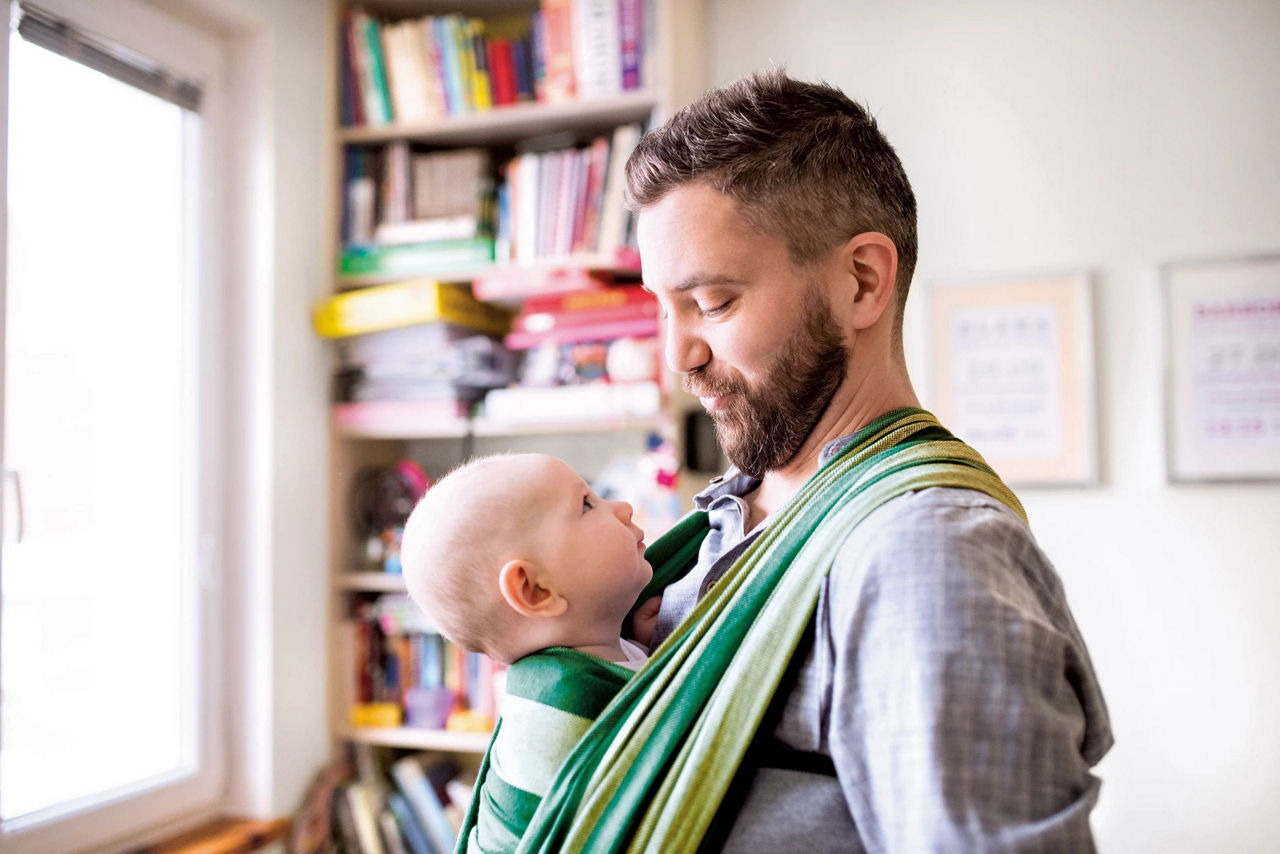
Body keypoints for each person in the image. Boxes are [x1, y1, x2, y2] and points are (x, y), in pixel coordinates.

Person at [611, 70, 1112, 850]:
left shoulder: (925, 557)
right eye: (660, 307)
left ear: (862, 280)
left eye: (712, 302)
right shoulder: (727, 520)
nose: (678, 354)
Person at [397, 452, 657, 853]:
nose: (621, 508)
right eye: (587, 504)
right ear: (536, 590)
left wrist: (642, 646)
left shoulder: (594, 656)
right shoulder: (562, 703)